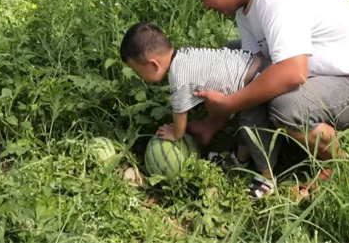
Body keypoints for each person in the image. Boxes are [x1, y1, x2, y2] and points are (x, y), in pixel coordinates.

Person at [181, 0, 349, 197]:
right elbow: (250, 68)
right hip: (322, 71)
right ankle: (248, 148)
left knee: (288, 107)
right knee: (232, 58)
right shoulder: (246, 6)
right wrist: (212, 122)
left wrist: (229, 104)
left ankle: (338, 165)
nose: (205, 7)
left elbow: (293, 72)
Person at [120, 22, 282, 200]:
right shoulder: (184, 55)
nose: (139, 77)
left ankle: (267, 177)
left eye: (138, 72)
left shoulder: (178, 76)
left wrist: (175, 133)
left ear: (153, 65)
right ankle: (240, 159)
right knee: (242, 121)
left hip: (255, 81)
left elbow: (180, 113)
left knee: (252, 128)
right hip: (253, 67)